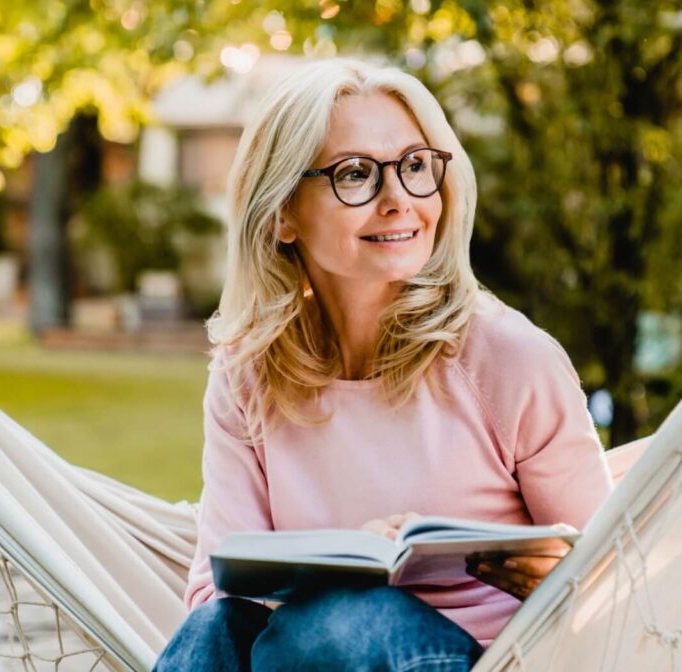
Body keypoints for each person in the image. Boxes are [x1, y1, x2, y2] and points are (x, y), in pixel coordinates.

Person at [153, 57, 613, 671]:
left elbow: (610, 574)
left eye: (416, 166)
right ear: (283, 213)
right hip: (306, 655)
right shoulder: (248, 375)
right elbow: (219, 595)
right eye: (355, 174)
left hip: (488, 659)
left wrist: (452, 551)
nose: (400, 200)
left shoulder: (509, 360)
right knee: (221, 623)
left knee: (350, 621)